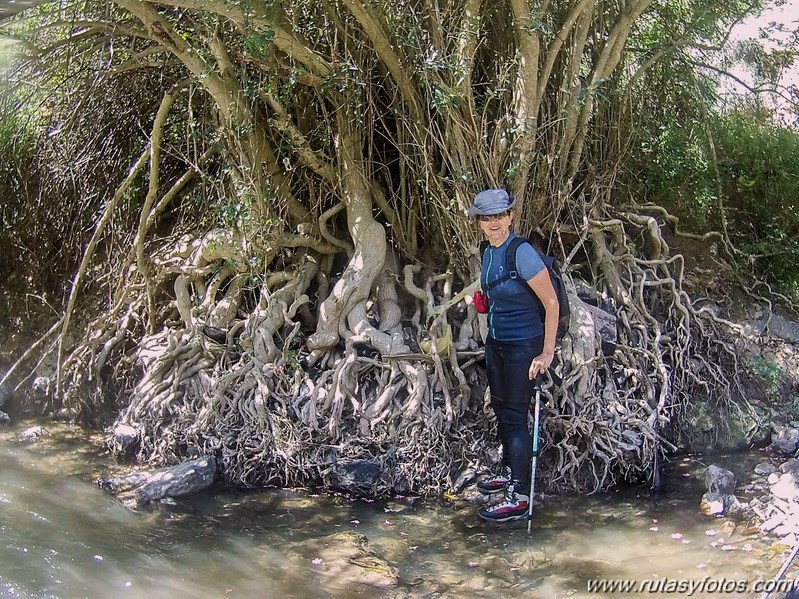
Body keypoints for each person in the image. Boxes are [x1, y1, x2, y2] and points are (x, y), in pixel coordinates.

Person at [468, 188, 560, 522]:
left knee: (515, 416)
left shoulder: (521, 253)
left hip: (524, 345)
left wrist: (546, 353)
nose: (493, 223)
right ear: (479, 222)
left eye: (499, 216)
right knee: (500, 406)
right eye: (486, 218)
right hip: (497, 342)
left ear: (509, 217)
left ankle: (519, 495)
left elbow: (551, 303)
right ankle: (508, 473)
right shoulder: (487, 252)